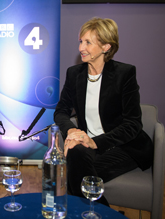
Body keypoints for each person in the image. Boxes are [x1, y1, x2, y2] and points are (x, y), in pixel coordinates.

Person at [54, 17, 153, 206]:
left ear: (106, 47)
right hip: (89, 144)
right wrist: (72, 131)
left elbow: (133, 124)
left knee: (77, 177)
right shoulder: (74, 74)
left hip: (124, 146)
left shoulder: (125, 74)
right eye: (81, 41)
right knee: (76, 156)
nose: (81, 48)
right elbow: (61, 111)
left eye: (88, 42)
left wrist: (94, 142)